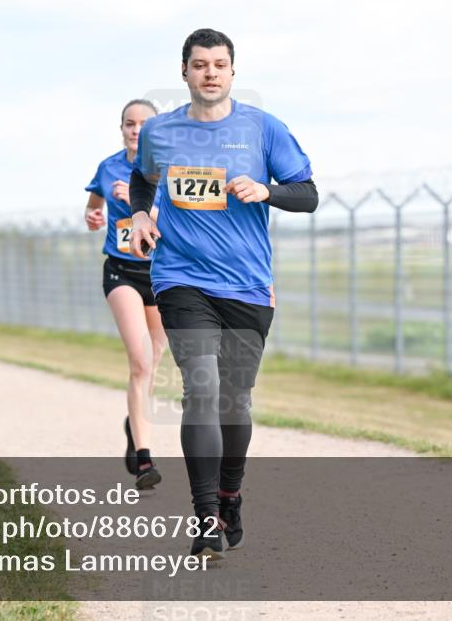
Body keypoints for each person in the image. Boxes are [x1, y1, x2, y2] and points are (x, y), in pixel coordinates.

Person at [129, 28, 318, 559]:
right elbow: (144, 180)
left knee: (235, 401)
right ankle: (206, 516)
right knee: (203, 388)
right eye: (199, 64)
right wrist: (143, 212)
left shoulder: (263, 128)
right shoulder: (160, 132)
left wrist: (267, 191)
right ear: (184, 72)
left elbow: (308, 195)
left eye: (219, 64)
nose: (209, 72)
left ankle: (231, 497)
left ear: (232, 72)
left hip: (247, 285)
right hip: (181, 279)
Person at [84, 99, 168, 490]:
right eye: (129, 124)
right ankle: (145, 461)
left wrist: (142, 205)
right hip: (122, 273)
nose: (135, 130)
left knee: (152, 362)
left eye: (143, 124)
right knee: (140, 362)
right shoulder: (108, 167)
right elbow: (92, 209)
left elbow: (183, 215)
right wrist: (94, 216)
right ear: (122, 129)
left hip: (164, 275)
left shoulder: (170, 168)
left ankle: (134, 422)